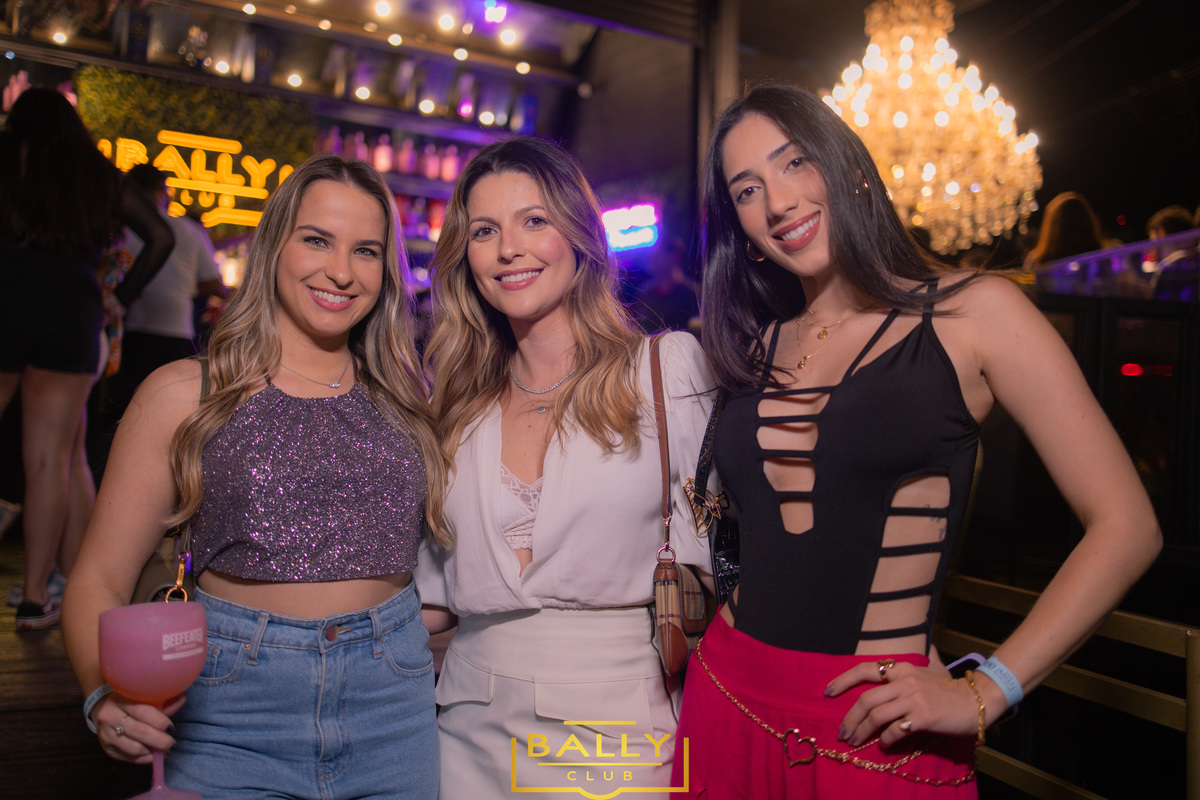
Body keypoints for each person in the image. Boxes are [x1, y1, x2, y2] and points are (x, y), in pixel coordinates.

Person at [672, 84, 1161, 798]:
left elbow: (1128, 526)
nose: (777, 202)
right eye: (747, 189)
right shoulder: (752, 347)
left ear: (850, 168)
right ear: (740, 226)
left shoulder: (976, 313)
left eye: (796, 161)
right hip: (725, 698)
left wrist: (987, 689)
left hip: (874, 731)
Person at [61, 155, 446, 800]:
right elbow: (98, 576)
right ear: (273, 247)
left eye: (367, 251)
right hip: (230, 714)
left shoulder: (412, 400)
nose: (341, 271)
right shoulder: (186, 394)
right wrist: (102, 693)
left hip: (393, 712)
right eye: (317, 240)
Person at [416, 137, 716, 799]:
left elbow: (715, 566)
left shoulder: (664, 371)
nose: (508, 249)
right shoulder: (454, 409)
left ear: (580, 237)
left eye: (534, 220)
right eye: (484, 230)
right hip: (466, 731)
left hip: (619, 732)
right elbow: (432, 600)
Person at [0, 87, 174, 629]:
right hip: (72, 311)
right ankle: (36, 597)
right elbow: (161, 236)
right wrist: (121, 296)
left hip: (6, 295)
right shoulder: (96, 173)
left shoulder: (7, 158)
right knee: (50, 460)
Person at [109, 163, 228, 420]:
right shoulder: (187, 229)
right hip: (175, 329)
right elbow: (212, 283)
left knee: (125, 410)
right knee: (172, 411)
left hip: (132, 327)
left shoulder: (122, 228)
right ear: (161, 192)